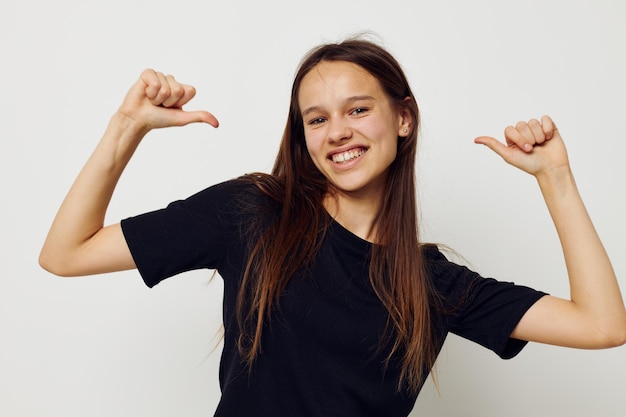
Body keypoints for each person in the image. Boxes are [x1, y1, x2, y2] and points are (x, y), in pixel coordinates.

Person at [39, 38, 626, 416]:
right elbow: (66, 253)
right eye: (316, 119)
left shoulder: (433, 284)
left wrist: (556, 178)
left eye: (358, 109)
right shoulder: (254, 212)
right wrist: (126, 128)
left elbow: (602, 325)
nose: (336, 131)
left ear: (403, 117)